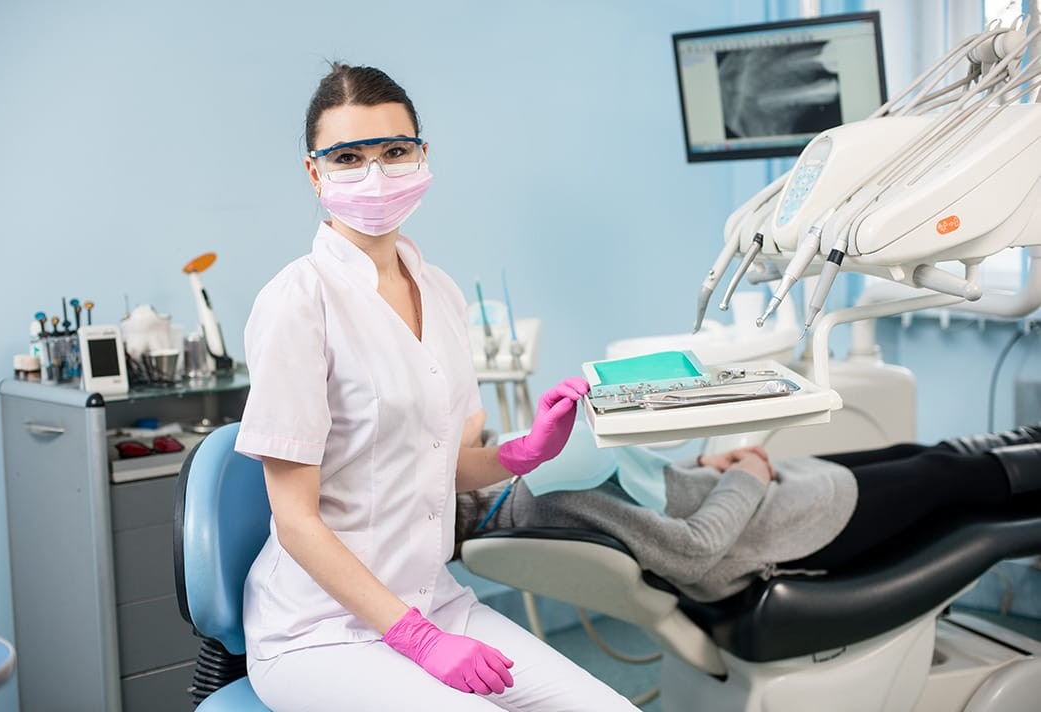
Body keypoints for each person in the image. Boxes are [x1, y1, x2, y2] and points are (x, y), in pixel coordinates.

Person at [234, 63, 639, 711]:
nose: (375, 174)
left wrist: (522, 453)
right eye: (348, 157)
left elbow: (441, 467)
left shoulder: (441, 292)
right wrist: (416, 640)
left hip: (435, 602)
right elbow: (295, 520)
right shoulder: (297, 303)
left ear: (422, 156)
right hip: (322, 631)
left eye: (395, 151)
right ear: (315, 173)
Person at [459, 425, 1041, 601]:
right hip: (784, 528)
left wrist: (706, 462)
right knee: (945, 478)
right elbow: (692, 549)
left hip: (762, 494)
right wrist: (744, 474)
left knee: (921, 458)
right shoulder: (545, 497)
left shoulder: (523, 487)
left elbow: (636, 488)